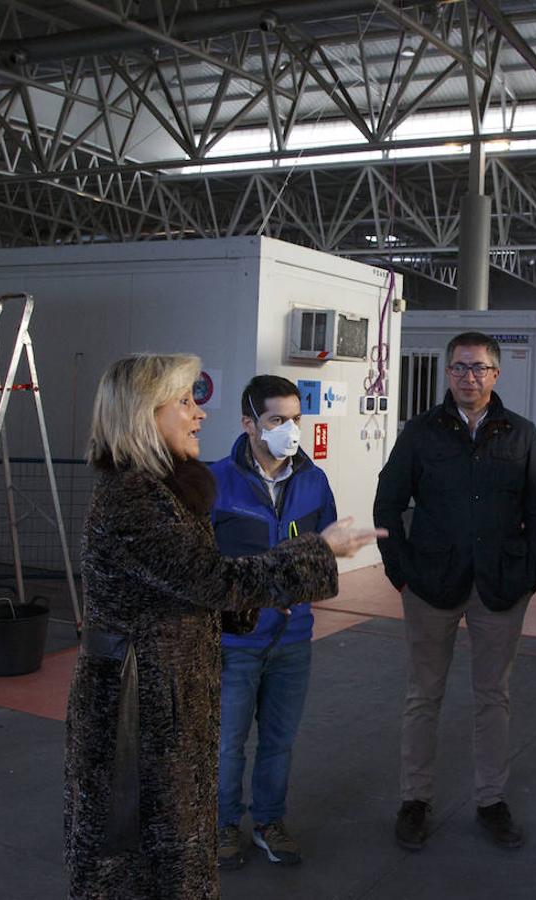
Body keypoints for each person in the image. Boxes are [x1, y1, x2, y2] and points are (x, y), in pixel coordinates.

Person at [64, 353, 382, 900]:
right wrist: (316, 553)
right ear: (144, 414)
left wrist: (263, 594)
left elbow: (193, 589)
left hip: (166, 693)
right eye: (185, 401)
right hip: (139, 706)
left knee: (165, 841)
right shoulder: (136, 499)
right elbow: (211, 580)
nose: (198, 413)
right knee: (140, 851)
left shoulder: (162, 491)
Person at [373, 331, 536, 852]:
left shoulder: (519, 434)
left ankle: (490, 800)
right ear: (447, 373)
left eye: (478, 368)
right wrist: (400, 574)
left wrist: (529, 576)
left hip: (500, 587)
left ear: (496, 375)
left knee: (492, 696)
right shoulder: (421, 432)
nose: (468, 377)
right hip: (429, 586)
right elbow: (388, 504)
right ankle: (415, 799)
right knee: (422, 695)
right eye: (458, 368)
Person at [209, 375, 335, 870]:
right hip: (235, 642)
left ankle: (269, 821)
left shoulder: (313, 481)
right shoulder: (216, 482)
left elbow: (323, 557)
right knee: (227, 742)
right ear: (248, 424)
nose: (290, 431)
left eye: (295, 420)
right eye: (277, 420)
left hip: (293, 639)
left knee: (279, 741)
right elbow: (203, 567)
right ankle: (220, 824)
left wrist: (301, 591)